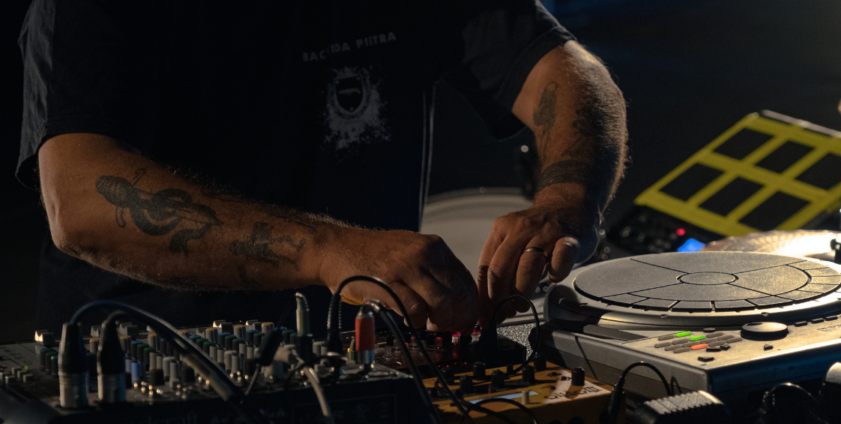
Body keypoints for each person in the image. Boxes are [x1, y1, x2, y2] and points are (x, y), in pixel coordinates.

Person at [18, 0, 627, 334]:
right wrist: (328, 251)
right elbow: (79, 199)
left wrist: (566, 201)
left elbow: (569, 72)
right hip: (140, 381)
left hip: (364, 368)